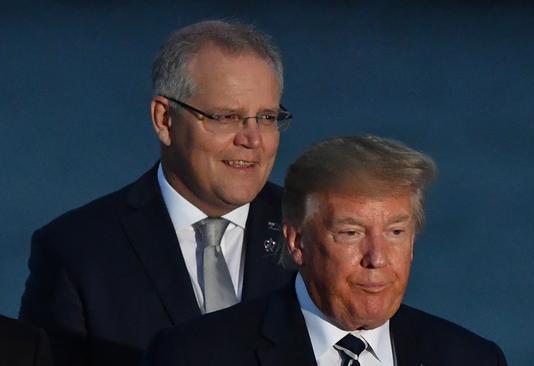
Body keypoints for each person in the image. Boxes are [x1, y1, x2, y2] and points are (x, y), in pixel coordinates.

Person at [19, 20, 295, 366]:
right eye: (226, 116)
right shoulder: (76, 252)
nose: (253, 140)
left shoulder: (318, 233)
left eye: (267, 117)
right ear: (164, 120)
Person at [143, 135, 508, 366]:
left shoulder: (471, 358)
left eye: (396, 232)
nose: (377, 258)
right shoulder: (196, 356)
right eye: (351, 233)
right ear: (297, 243)